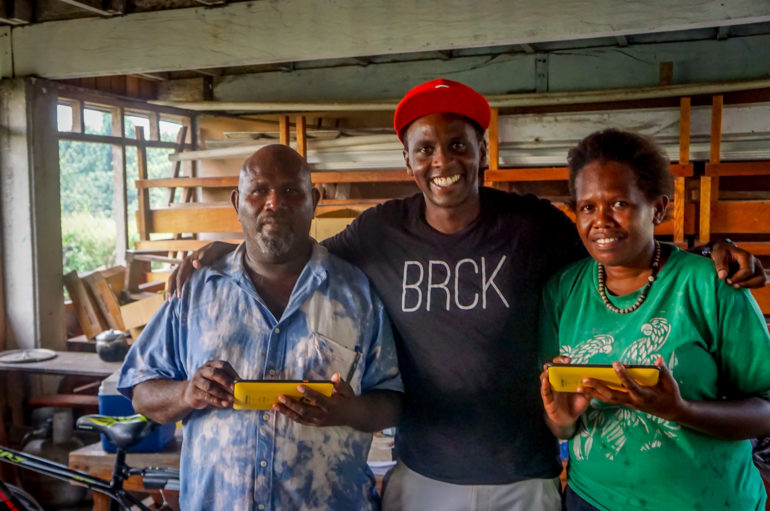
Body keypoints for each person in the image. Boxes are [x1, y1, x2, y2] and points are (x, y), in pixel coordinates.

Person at [167, 79, 767, 511]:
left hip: (525, 475)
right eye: (425, 148)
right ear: (408, 159)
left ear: (483, 151)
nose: (442, 161)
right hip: (424, 472)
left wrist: (712, 248)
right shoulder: (378, 231)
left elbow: (620, 243)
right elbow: (294, 246)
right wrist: (223, 250)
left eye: (458, 144)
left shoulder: (534, 226)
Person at [117, 145, 403, 511]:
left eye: (290, 190)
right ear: (237, 202)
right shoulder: (195, 291)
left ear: (314, 200)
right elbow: (142, 394)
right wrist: (189, 392)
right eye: (259, 190)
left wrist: (346, 412)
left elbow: (391, 400)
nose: (273, 202)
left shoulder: (357, 294)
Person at [539, 128, 770, 511]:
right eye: (587, 207)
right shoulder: (563, 290)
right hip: (594, 500)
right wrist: (562, 419)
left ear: (658, 208)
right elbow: (562, 424)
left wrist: (680, 411)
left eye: (619, 204)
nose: (601, 221)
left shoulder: (711, 285)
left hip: (706, 501)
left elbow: (766, 408)